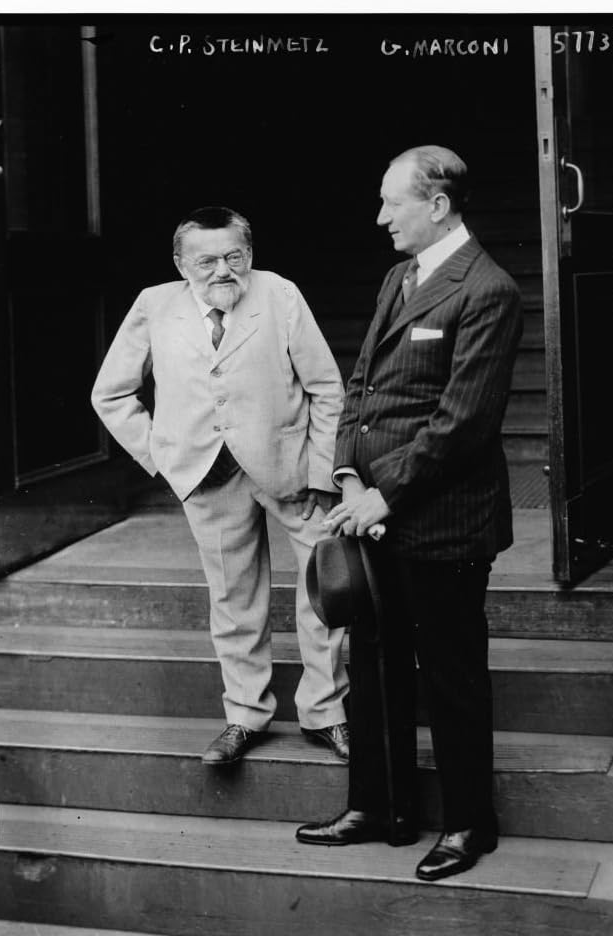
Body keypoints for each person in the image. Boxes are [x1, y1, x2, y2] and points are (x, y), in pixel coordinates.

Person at [295, 146, 523, 880]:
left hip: (442, 519)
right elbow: (360, 384)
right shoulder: (399, 278)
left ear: (437, 205)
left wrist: (381, 492)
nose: (380, 218)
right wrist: (345, 474)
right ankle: (377, 806)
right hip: (371, 510)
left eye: (392, 203)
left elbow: (463, 423)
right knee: (373, 663)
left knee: (451, 676)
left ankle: (468, 824)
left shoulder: (487, 289)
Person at [92, 206, 349, 765]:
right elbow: (110, 394)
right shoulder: (154, 305)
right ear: (180, 264)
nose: (222, 270)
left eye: (234, 256)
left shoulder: (280, 294)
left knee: (324, 590)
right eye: (205, 261)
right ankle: (246, 715)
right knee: (233, 599)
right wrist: (163, 456)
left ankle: (326, 712)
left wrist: (322, 471)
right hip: (206, 475)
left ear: (249, 255)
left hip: (291, 470)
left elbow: (327, 388)